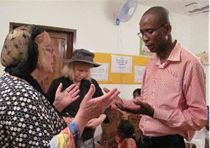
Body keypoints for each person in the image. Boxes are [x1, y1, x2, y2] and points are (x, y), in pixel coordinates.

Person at [0, 25, 120, 147]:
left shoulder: (19, 85)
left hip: (85, 136)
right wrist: (83, 117)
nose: (55, 55)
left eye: (85, 71)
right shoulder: (21, 95)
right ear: (31, 53)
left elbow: (41, 120)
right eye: (48, 49)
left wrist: (57, 107)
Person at [107, 6, 208, 148]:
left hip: (169, 142)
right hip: (144, 139)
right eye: (141, 33)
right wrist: (122, 103)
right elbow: (145, 101)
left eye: (149, 31)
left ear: (167, 29)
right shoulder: (151, 63)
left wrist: (155, 113)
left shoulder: (190, 63)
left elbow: (198, 118)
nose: (145, 39)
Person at [47, 49, 109, 147]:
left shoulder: (91, 84)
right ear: (71, 67)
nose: (83, 74)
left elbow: (105, 104)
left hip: (86, 135)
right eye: (80, 70)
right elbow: (46, 110)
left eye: (86, 71)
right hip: (64, 135)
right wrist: (62, 118)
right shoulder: (58, 83)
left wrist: (100, 119)